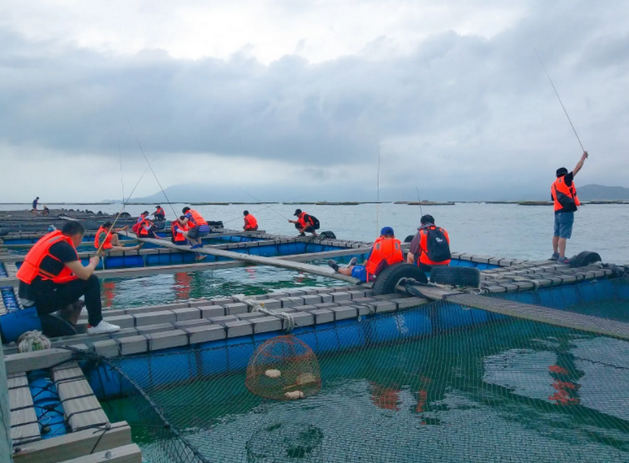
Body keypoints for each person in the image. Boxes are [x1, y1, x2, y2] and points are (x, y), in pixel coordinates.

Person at [16, 221, 120, 335]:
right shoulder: (64, 247)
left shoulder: (53, 240)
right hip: (35, 305)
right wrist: (93, 263)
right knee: (91, 280)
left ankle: (80, 314)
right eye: (81, 238)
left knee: (75, 281)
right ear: (77, 236)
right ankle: (96, 324)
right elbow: (85, 275)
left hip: (28, 298)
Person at [551, 151, 588, 264]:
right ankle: (562, 258)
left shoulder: (553, 184)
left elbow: (554, 198)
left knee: (556, 233)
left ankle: (555, 254)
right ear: (564, 174)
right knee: (563, 235)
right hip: (566, 211)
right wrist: (583, 157)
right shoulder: (566, 179)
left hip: (557, 212)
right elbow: (577, 168)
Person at [328, 227, 404, 282]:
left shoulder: (377, 246)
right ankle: (353, 266)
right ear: (394, 236)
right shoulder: (398, 247)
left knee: (352, 270)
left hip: (374, 276)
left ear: (381, 236)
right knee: (359, 267)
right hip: (392, 275)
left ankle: (338, 269)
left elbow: (366, 263)